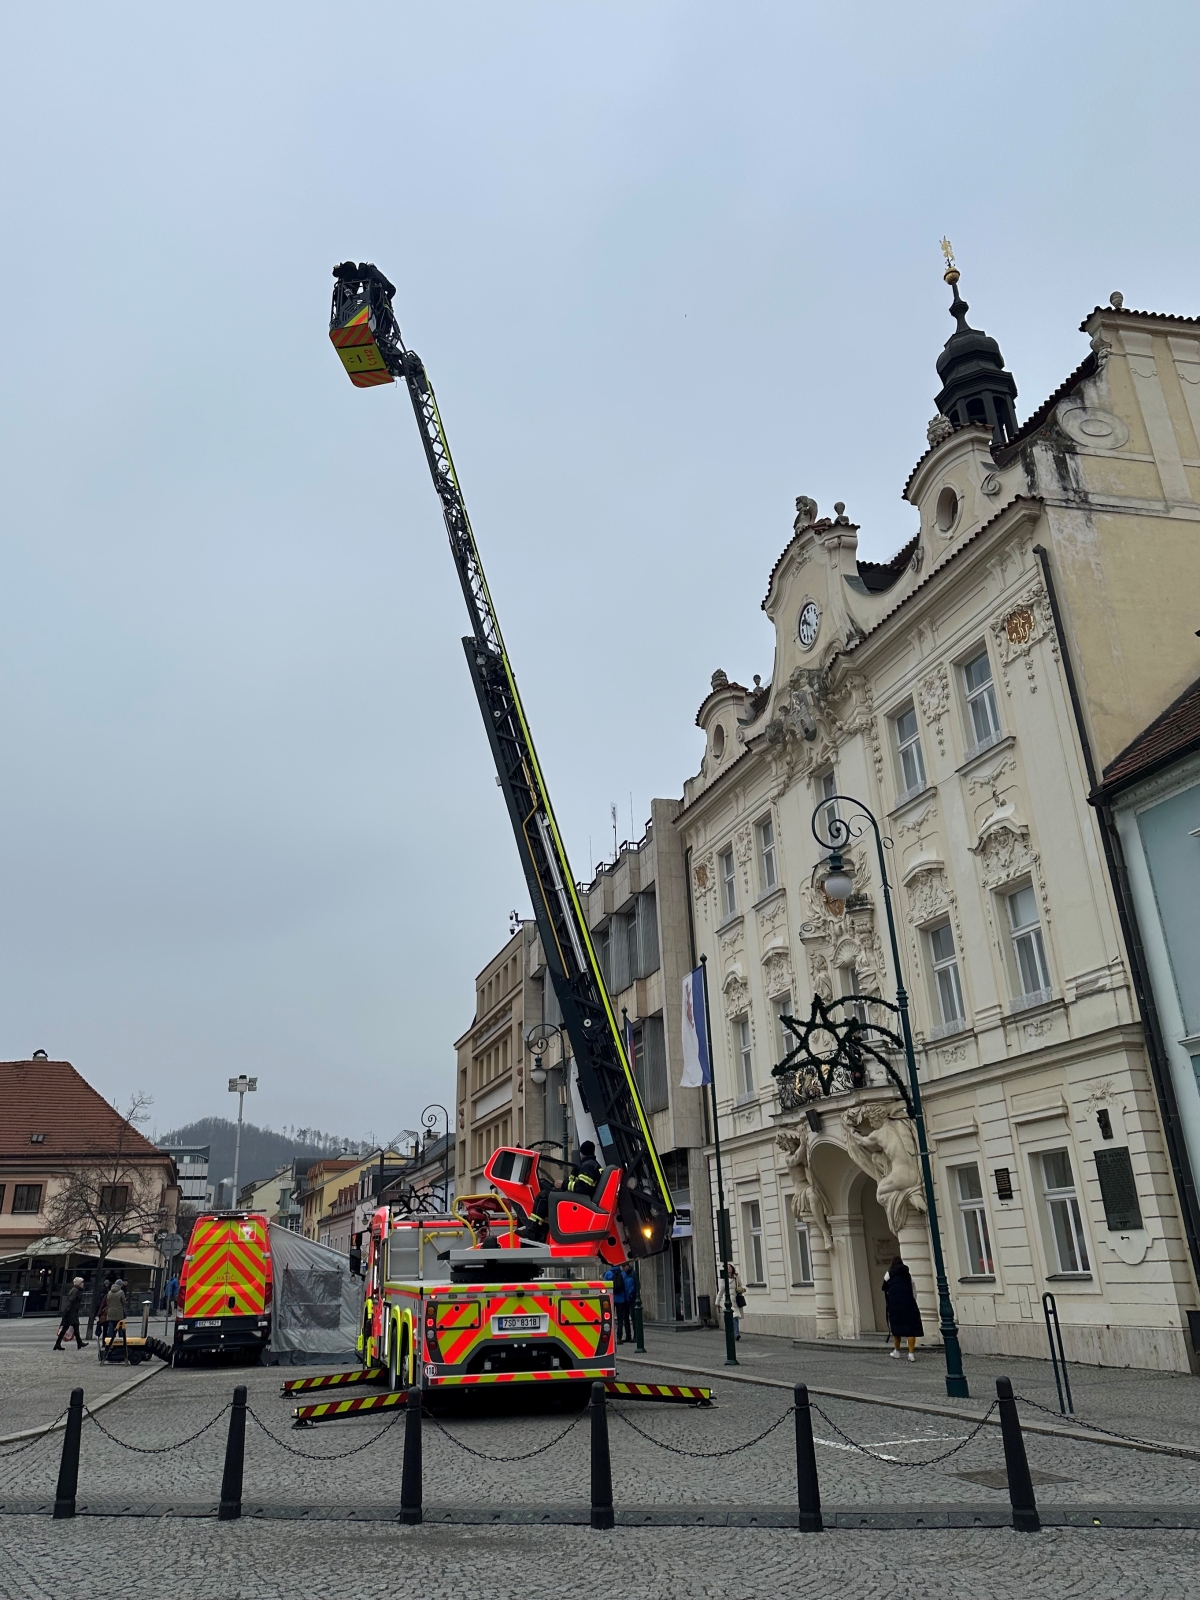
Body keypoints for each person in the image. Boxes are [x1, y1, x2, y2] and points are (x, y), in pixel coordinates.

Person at [882, 1257, 924, 1361]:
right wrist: (912, 1301)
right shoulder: (908, 1275)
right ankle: (911, 1354)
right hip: (908, 1304)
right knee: (911, 1330)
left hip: (895, 1305)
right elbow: (914, 1290)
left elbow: (884, 1287)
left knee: (896, 1330)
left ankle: (897, 1351)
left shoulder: (889, 1273)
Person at [53, 1278, 89, 1351]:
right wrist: (68, 1311)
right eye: (82, 1283)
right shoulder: (76, 1291)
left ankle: (58, 1344)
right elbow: (71, 1301)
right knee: (74, 1327)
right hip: (71, 1312)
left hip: (71, 1312)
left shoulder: (75, 1290)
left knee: (68, 1328)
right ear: (79, 1283)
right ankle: (79, 1343)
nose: (83, 1284)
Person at [105, 1278, 129, 1360]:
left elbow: (107, 1301)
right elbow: (123, 1302)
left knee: (111, 1328)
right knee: (121, 1328)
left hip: (110, 1312)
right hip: (118, 1312)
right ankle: (121, 1343)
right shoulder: (121, 1292)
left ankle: (109, 1343)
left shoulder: (109, 1292)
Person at [723, 1261, 745, 1340]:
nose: (729, 1269)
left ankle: (736, 1334)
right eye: (727, 1268)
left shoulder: (736, 1277)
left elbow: (740, 1285)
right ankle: (732, 1333)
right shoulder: (724, 1279)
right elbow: (721, 1291)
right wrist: (717, 1302)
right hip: (728, 1301)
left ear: (732, 1269)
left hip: (735, 1300)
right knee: (730, 1318)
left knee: (735, 1318)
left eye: (730, 1267)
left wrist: (741, 1289)